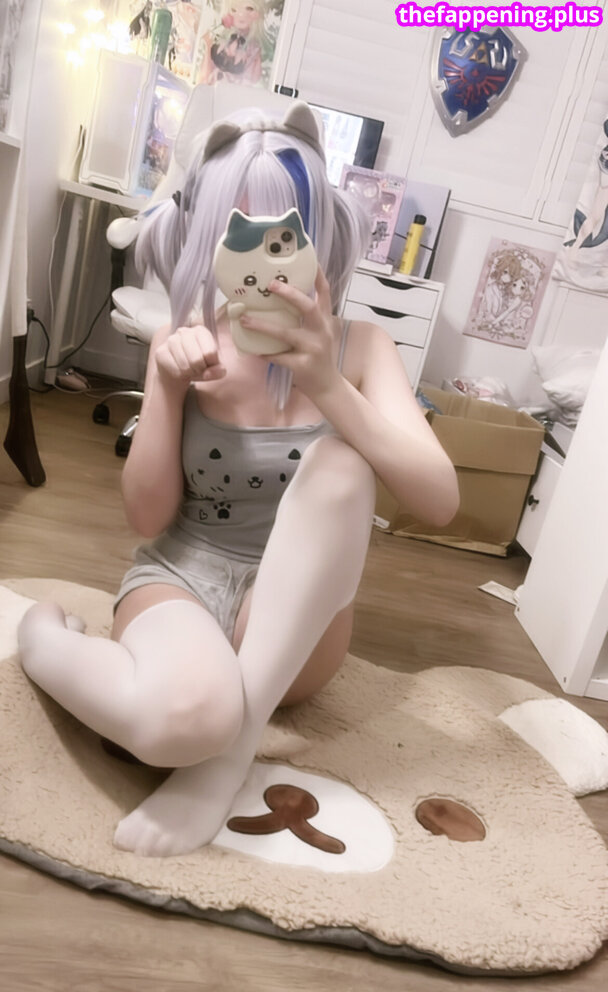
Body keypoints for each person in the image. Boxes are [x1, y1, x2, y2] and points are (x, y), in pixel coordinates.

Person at [18, 101, 459, 858]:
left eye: (288, 234)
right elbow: (147, 519)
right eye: (239, 233)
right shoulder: (185, 341)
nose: (266, 261)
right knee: (181, 720)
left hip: (297, 626)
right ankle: (40, 640)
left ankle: (227, 755)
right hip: (183, 578)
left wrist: (327, 384)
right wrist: (164, 386)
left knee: (344, 463)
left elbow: (440, 501)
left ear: (318, 235)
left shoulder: (362, 349)